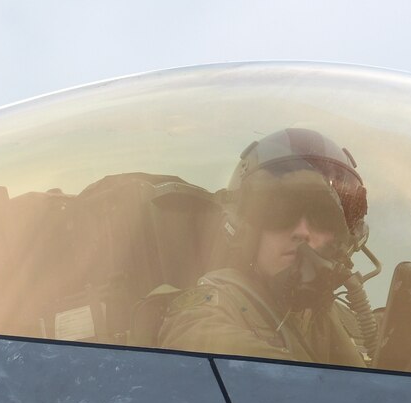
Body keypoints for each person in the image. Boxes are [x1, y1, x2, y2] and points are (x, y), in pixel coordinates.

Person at [156, 128, 379, 365]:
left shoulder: (331, 317)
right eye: (280, 212)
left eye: (323, 216)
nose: (302, 231)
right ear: (247, 232)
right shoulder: (218, 298)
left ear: (341, 241)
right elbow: (194, 335)